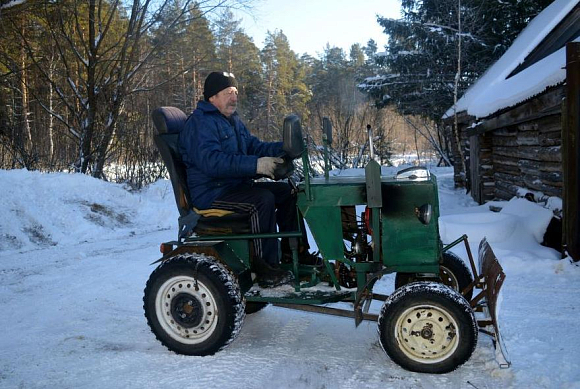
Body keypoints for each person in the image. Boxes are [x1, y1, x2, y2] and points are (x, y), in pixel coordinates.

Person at [179, 71, 300, 287]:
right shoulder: (200, 123)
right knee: (261, 200)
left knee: (287, 191)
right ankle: (265, 268)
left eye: (235, 92)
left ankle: (297, 254)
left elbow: (254, 146)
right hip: (212, 193)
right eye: (228, 92)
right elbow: (213, 162)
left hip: (234, 186)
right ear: (212, 97)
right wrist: (256, 165)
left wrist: (284, 148)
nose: (234, 97)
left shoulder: (232, 121)